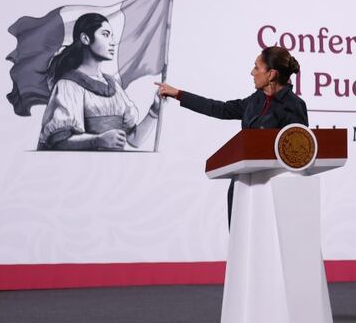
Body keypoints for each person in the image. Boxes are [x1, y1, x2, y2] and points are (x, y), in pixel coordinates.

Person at [155, 46, 307, 224]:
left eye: (256, 67)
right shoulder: (256, 99)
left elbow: (297, 157)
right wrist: (178, 94)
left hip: (271, 190)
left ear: (271, 74)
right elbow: (220, 109)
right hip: (242, 184)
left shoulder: (294, 106)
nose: (252, 72)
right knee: (239, 237)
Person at [37, 13, 161, 150]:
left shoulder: (113, 85)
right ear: (85, 38)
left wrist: (155, 110)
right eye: (106, 35)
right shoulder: (68, 85)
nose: (112, 42)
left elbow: (134, 140)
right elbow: (59, 142)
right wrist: (97, 140)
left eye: (112, 36)